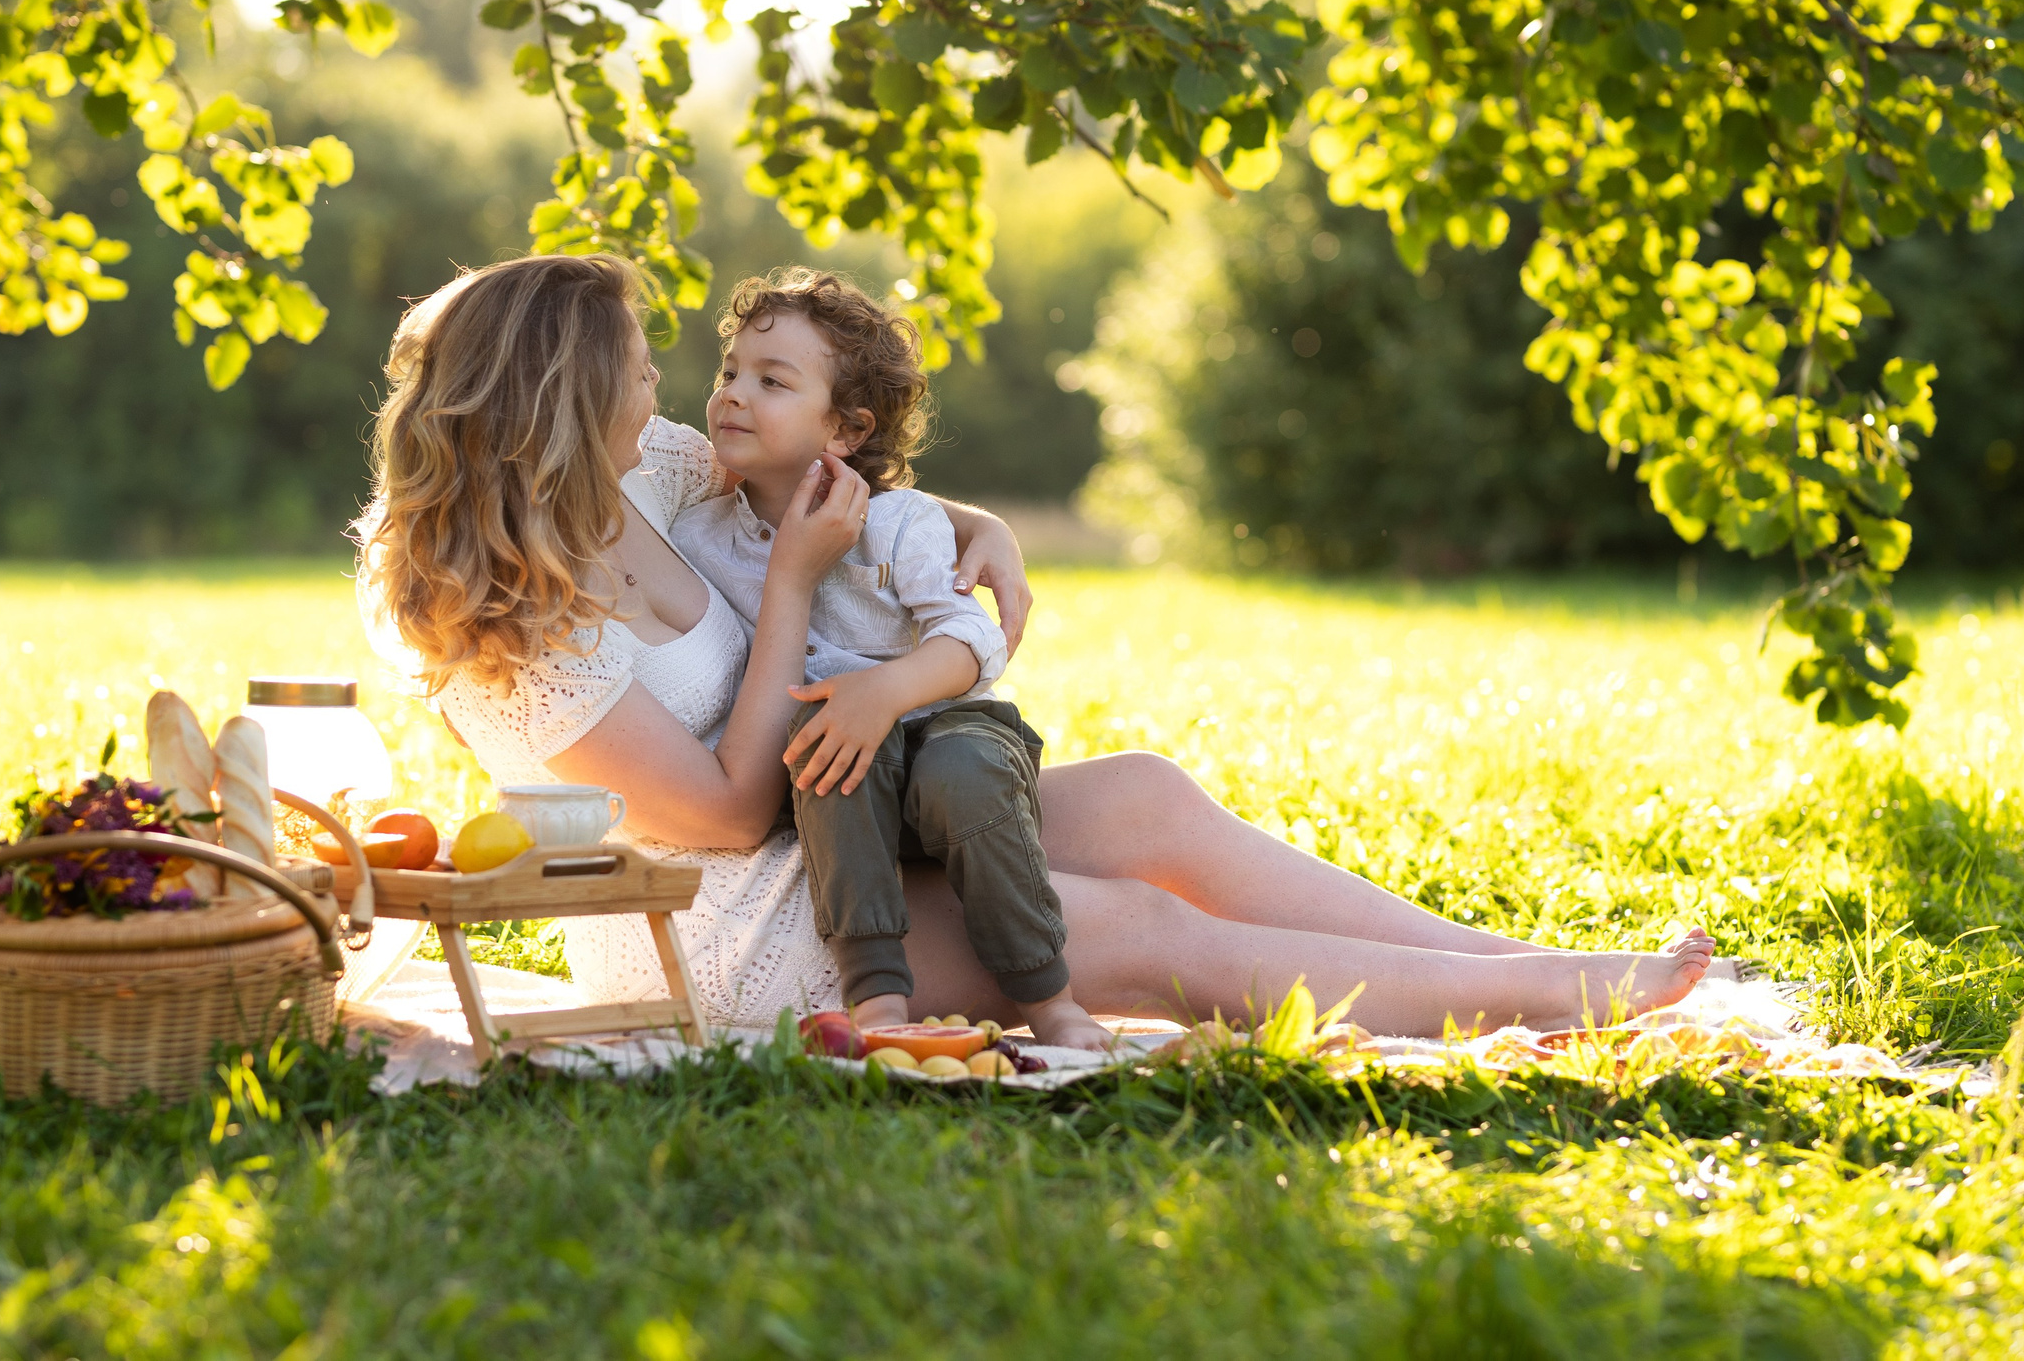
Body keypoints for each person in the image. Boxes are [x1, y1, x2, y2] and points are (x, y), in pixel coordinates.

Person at [357, 253, 1715, 1038]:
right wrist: (795, 598)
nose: (666, 384)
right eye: (637, 364)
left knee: (1146, 800)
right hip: (718, 931)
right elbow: (715, 813)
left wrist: (972, 519)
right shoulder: (493, 619)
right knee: (1125, 928)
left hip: (840, 810)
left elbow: (808, 471)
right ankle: (1544, 1002)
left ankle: (1491, 959)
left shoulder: (640, 470)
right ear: (565, 393)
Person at [669, 270, 1108, 1049]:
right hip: (836, 763)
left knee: (965, 772)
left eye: (771, 381)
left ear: (845, 430)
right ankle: (877, 1006)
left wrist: (885, 689)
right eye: (729, 371)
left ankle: (1051, 999)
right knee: (828, 751)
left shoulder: (902, 522)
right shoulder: (700, 537)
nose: (733, 393)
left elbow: (972, 639)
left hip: (947, 727)